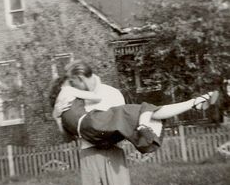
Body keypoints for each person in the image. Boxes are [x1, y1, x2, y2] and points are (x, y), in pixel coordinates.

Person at [50, 60, 219, 154]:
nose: (74, 86)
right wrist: (57, 119)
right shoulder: (69, 93)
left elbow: (70, 136)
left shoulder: (65, 106)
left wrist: (57, 117)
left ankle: (195, 102)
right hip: (92, 137)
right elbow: (96, 98)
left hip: (101, 140)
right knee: (143, 111)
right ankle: (192, 103)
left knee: (144, 112)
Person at [50, 60, 136, 185]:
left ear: (80, 78)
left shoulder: (112, 94)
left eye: (74, 83)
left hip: (113, 154)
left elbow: (122, 127)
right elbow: (67, 137)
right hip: (88, 156)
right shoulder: (73, 99)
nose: (72, 87)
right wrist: (57, 118)